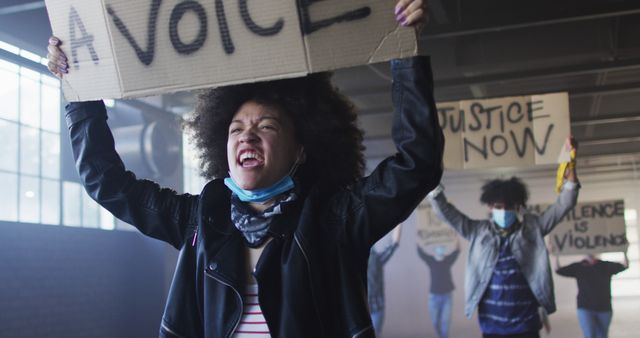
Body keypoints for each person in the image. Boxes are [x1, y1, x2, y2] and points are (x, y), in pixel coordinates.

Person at [46, 1, 443, 337]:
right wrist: (80, 93)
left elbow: (417, 164)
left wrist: (404, 56)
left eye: (266, 127)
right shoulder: (198, 221)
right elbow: (106, 182)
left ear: (301, 150)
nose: (247, 138)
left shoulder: (336, 220)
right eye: (236, 129)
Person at [427, 160, 580, 338]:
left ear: (518, 206)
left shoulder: (533, 229)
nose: (504, 211)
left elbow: (563, 206)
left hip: (526, 325)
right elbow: (447, 213)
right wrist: (434, 186)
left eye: (508, 206)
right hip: (492, 326)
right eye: (498, 207)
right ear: (490, 207)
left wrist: (571, 177)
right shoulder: (478, 231)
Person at [555, 252, 629, 338]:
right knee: (589, 335)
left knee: (602, 335)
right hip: (585, 307)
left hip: (604, 308)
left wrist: (624, 251)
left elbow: (625, 265)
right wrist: (557, 253)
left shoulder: (606, 266)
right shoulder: (578, 267)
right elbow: (558, 270)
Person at [416, 239, 460, 338]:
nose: (441, 249)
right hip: (434, 296)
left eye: (442, 247)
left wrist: (455, 237)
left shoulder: (448, 260)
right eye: (439, 247)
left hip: (447, 296)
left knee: (446, 322)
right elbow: (420, 252)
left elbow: (457, 251)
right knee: (435, 321)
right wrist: (419, 239)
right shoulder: (430, 260)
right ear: (435, 249)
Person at [368, 225, 402, 337]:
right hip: (359, 309)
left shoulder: (375, 259)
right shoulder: (350, 261)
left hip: (377, 306)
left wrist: (399, 222)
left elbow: (394, 244)